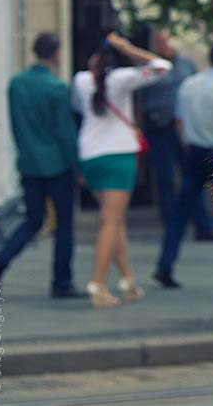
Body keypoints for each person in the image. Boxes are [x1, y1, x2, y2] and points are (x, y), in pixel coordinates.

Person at [71, 32, 171, 307]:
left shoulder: (80, 80)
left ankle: (127, 279)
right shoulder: (122, 79)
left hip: (90, 155)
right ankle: (98, 284)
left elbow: (79, 107)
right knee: (111, 222)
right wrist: (130, 48)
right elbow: (163, 66)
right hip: (118, 155)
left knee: (114, 221)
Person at [0, 33, 83, 298]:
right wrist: (77, 166)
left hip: (29, 163)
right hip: (56, 164)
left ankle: (0, 261)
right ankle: (61, 281)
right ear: (56, 53)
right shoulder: (56, 87)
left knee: (32, 219)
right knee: (64, 223)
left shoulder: (17, 84)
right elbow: (64, 132)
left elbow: (17, 125)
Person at [154, 44, 213, 288]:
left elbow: (179, 122)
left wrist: (186, 145)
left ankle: (165, 264)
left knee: (180, 213)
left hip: (193, 151)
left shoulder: (189, 84)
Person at [140, 30, 213, 242]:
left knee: (192, 177)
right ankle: (172, 225)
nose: (164, 46)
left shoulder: (187, 66)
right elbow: (141, 97)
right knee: (165, 177)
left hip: (185, 129)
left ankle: (202, 225)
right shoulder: (152, 67)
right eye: (160, 43)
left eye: (167, 42)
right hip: (160, 127)